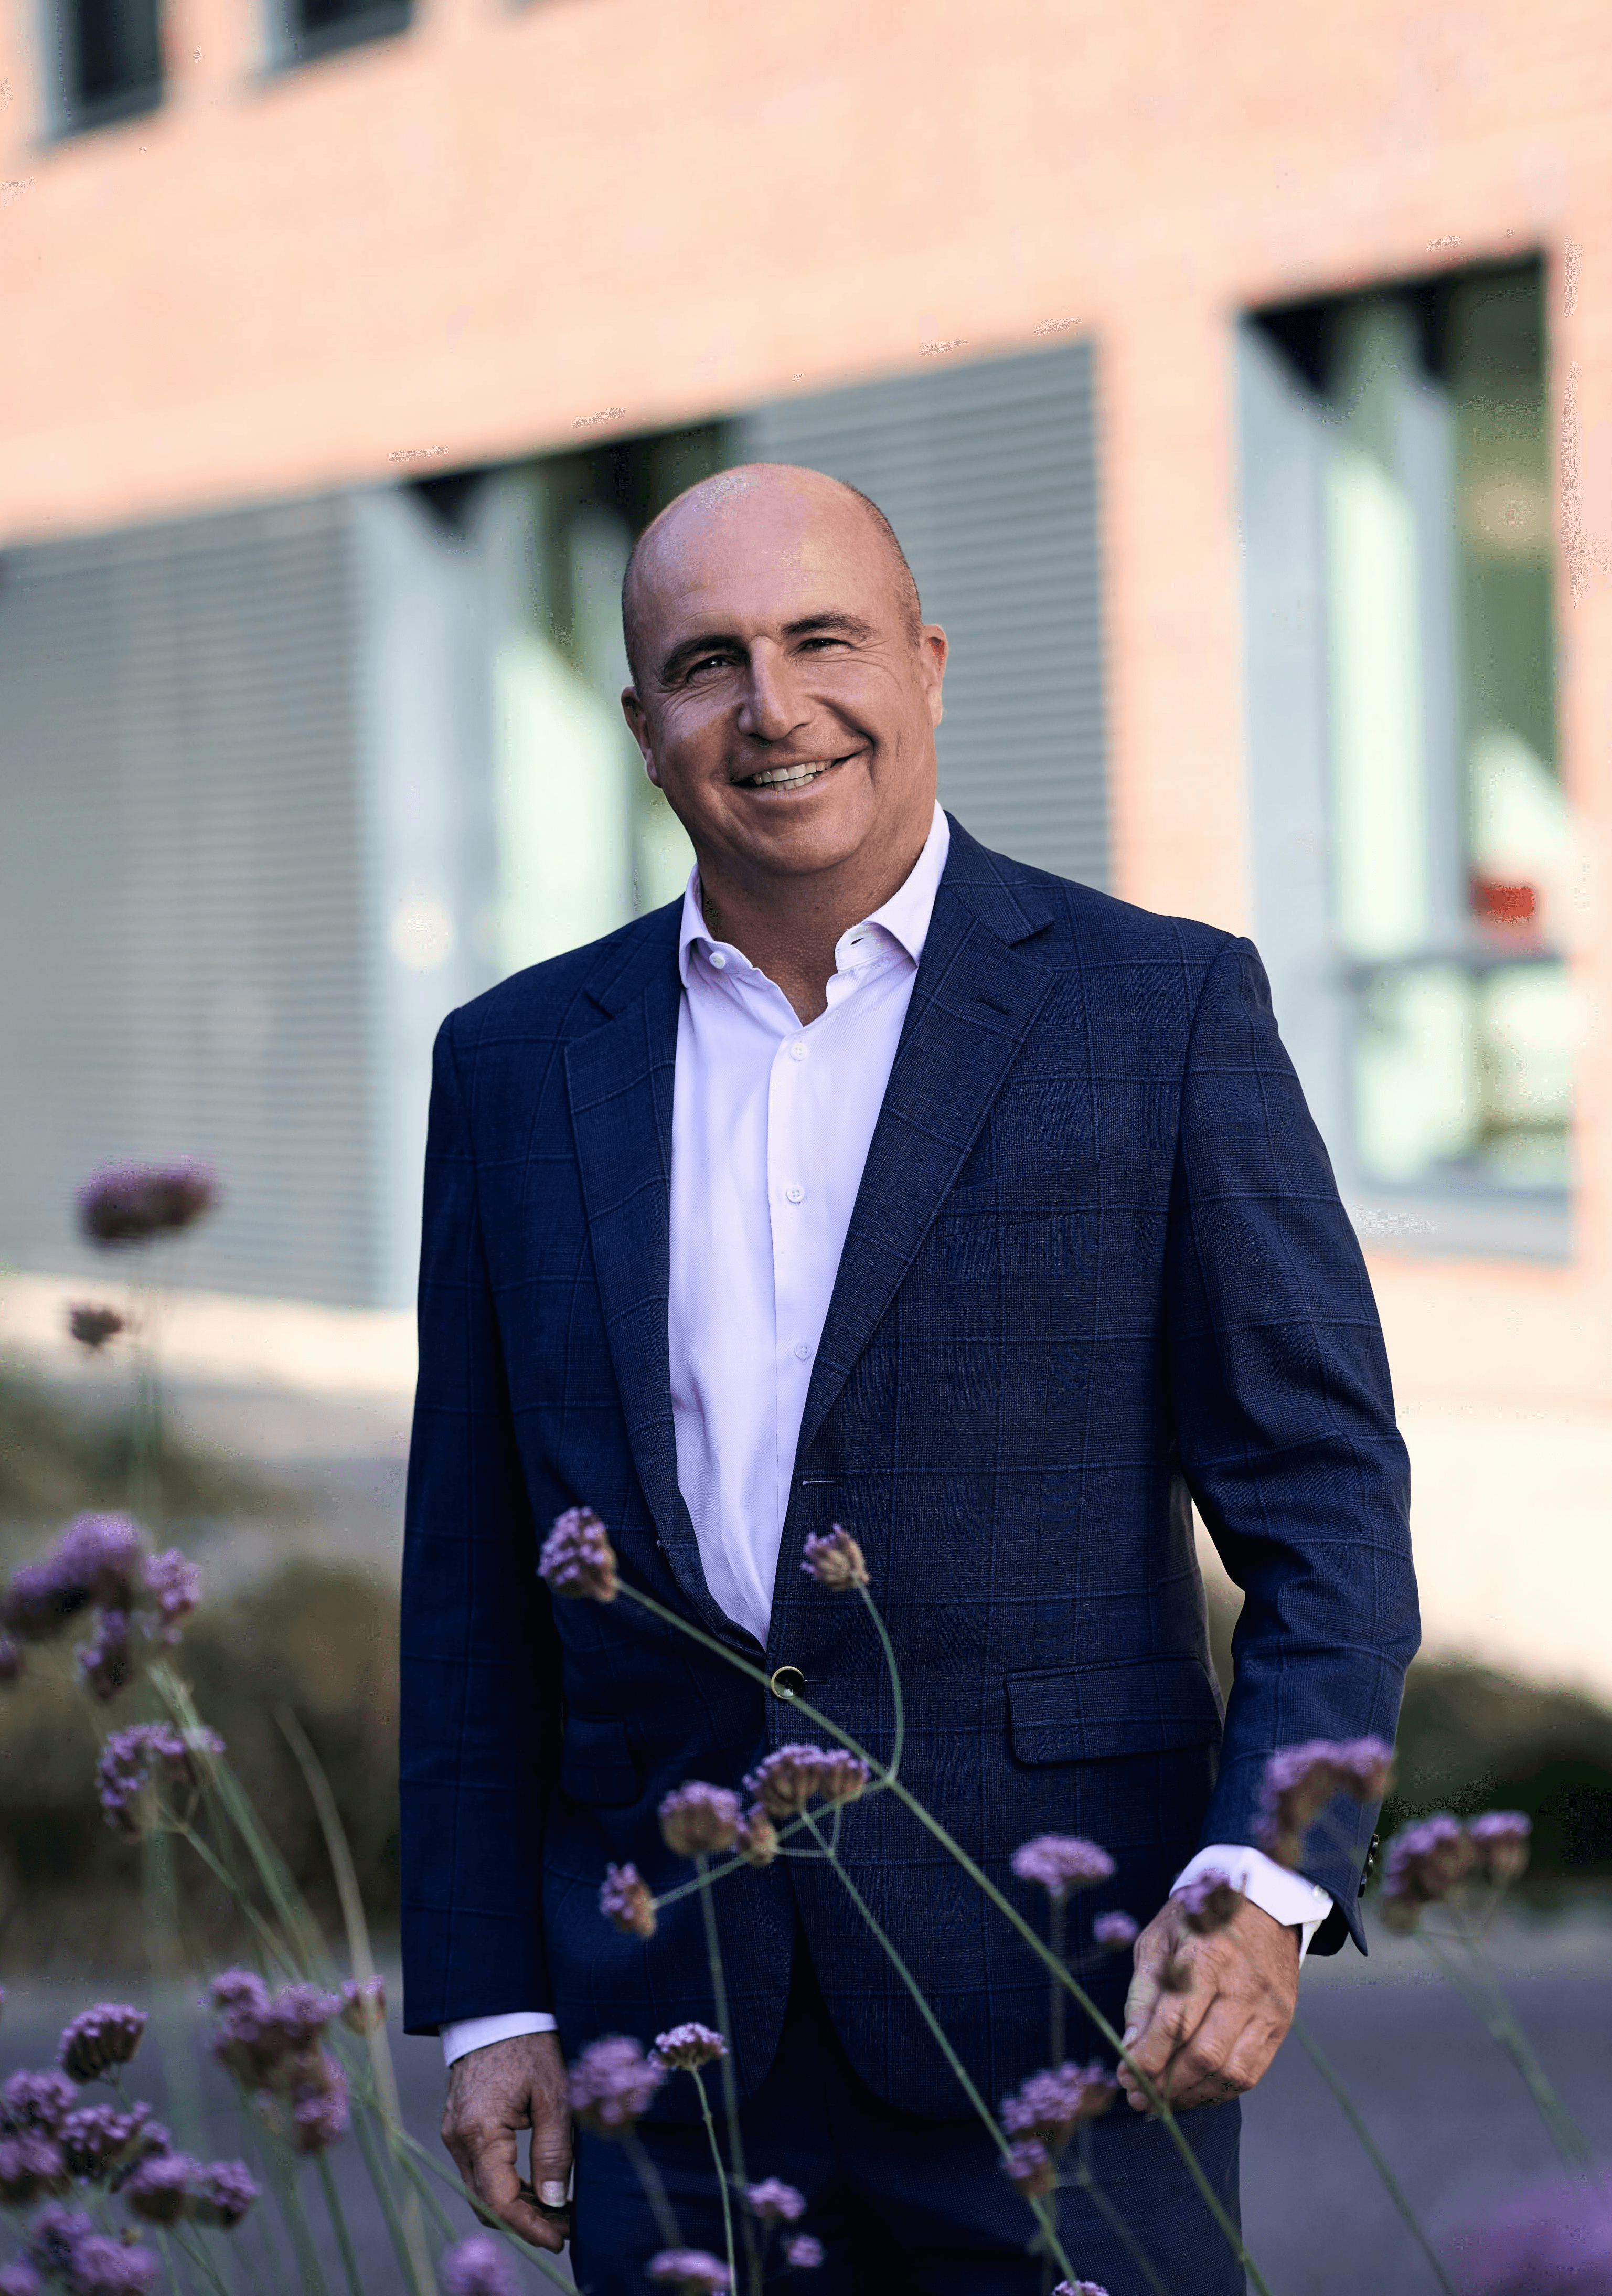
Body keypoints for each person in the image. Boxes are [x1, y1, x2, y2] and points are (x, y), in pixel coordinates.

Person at [400, 464, 1418, 2292]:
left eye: (823, 639)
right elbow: (474, 1574)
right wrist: (485, 2003)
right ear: (643, 728)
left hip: (1069, 2010)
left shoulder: (1160, 1012)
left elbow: (1325, 1501)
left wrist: (1269, 1886)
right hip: (670, 2038)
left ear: (929, 663)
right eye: (708, 663)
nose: (773, 705)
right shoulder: (514, 1065)